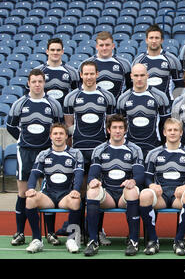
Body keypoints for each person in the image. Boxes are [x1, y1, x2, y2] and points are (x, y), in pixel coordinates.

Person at [6, 68, 63, 246]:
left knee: (48, 193)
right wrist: (24, 140)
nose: (37, 84)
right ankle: (20, 232)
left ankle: (51, 233)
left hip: (47, 152)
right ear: (29, 83)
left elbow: (58, 126)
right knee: (23, 193)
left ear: (44, 83)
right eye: (34, 82)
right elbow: (11, 126)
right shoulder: (20, 103)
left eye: (40, 81)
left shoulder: (53, 104)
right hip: (26, 152)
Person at [63, 60, 116, 245]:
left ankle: (97, 231)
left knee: (96, 192)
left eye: (92, 73)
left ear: (97, 74)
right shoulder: (71, 97)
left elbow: (110, 125)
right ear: (81, 75)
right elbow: (68, 127)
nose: (89, 77)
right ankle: (75, 234)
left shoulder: (107, 97)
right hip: (78, 151)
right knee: (78, 192)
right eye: (85, 74)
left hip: (99, 152)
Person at [84, 114, 145, 256]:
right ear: (108, 130)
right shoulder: (100, 149)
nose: (118, 131)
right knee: (92, 191)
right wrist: (93, 181)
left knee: (132, 191)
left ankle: (133, 241)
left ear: (125, 130)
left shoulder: (134, 149)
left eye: (121, 128)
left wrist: (133, 181)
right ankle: (93, 241)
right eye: (115, 128)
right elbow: (92, 174)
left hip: (125, 194)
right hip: (109, 196)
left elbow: (140, 175)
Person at [139, 118, 185, 256]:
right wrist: (151, 185)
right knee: (144, 194)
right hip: (161, 194)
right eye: (170, 130)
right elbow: (147, 176)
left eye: (176, 130)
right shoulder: (154, 153)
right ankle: (153, 241)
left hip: (179, 195)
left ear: (181, 133)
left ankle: (179, 240)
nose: (172, 133)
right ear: (164, 132)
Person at [23, 123, 84, 254]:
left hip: (65, 195)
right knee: (30, 200)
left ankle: (72, 239)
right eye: (55, 134)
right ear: (50, 136)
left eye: (61, 134)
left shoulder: (75, 153)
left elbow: (79, 174)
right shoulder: (44, 154)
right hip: (48, 195)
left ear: (66, 136)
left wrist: (76, 190)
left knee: (75, 201)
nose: (58, 136)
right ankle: (37, 240)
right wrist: (31, 188)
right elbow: (34, 173)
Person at [116, 63, 170, 158]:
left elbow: (165, 124)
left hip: (153, 147)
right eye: (136, 76)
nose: (139, 79)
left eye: (142, 75)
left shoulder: (160, 96)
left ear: (147, 76)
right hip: (130, 148)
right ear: (131, 76)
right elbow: (120, 126)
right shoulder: (123, 98)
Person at [131, 24, 184, 102]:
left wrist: (174, 103)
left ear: (162, 40)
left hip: (166, 106)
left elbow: (180, 86)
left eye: (157, 38)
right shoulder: (138, 61)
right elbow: (133, 86)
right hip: (145, 105)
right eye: (151, 38)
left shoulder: (172, 60)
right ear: (146, 40)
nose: (154, 41)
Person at [81, 31, 132, 99]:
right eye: (101, 45)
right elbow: (80, 87)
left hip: (116, 107)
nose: (104, 48)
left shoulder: (124, 64)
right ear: (96, 46)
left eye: (107, 45)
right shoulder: (87, 64)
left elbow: (130, 87)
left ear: (113, 46)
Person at [35, 38, 79, 109]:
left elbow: (77, 94)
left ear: (62, 52)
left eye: (58, 50)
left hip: (64, 112)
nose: (55, 52)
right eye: (52, 50)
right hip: (44, 111)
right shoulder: (38, 71)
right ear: (47, 51)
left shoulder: (72, 72)